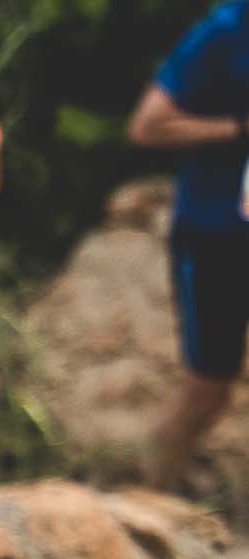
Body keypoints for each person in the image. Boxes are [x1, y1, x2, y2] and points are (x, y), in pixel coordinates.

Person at [129, 4, 249, 490]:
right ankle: (151, 501)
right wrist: (237, 128)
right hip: (216, 235)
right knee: (207, 392)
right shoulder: (223, 34)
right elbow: (147, 125)